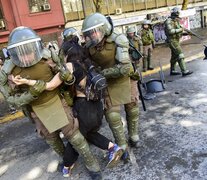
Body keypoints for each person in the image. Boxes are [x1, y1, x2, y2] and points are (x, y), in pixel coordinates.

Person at [12, 37, 124, 177]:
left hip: (84, 109)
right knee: (88, 134)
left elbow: (50, 85)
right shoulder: (86, 62)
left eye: (62, 53)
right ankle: (113, 148)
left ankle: (67, 165)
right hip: (96, 106)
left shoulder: (69, 67)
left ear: (66, 54)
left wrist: (27, 81)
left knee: (75, 139)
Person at [0, 26, 102, 179]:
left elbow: (64, 74)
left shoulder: (48, 57)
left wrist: (67, 77)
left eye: (29, 50)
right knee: (52, 140)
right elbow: (11, 100)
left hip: (56, 102)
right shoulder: (8, 71)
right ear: (14, 53)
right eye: (21, 53)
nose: (26, 56)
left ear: (35, 47)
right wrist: (32, 93)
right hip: (36, 110)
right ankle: (67, 160)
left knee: (75, 136)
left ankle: (92, 164)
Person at [81, 13, 140, 159]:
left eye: (95, 31)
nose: (93, 35)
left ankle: (133, 135)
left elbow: (125, 68)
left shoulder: (118, 39)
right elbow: (86, 63)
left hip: (125, 78)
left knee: (132, 108)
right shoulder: (89, 46)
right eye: (90, 33)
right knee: (112, 115)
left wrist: (102, 73)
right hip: (107, 83)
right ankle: (122, 144)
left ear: (104, 28)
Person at [164, 7, 193, 76]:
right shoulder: (168, 21)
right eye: (178, 12)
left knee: (174, 56)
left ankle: (172, 70)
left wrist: (186, 33)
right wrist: (181, 29)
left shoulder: (175, 21)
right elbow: (170, 31)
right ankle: (184, 71)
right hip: (172, 41)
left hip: (175, 40)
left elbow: (177, 31)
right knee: (180, 54)